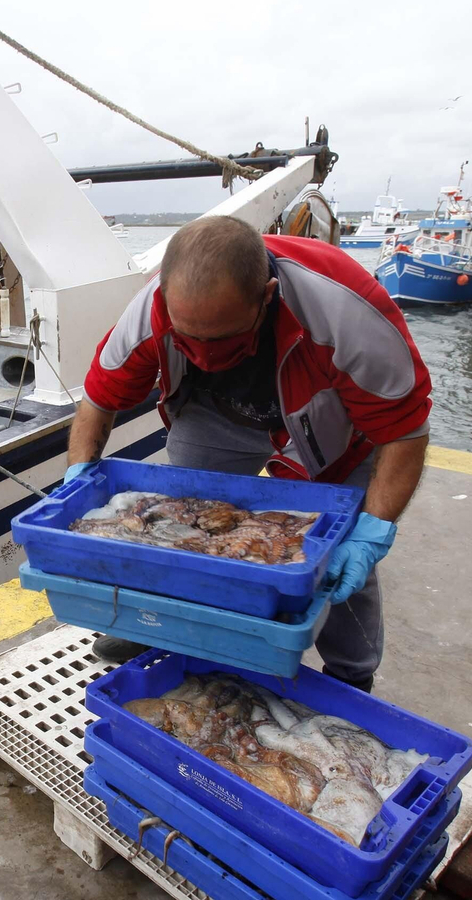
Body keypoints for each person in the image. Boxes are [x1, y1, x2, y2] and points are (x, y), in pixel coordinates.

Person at [64, 216, 432, 691]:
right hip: (218, 414)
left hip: (328, 421)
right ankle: (157, 626)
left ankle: (352, 672)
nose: (204, 356)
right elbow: (98, 401)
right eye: (187, 338)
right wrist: (78, 475)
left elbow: (404, 432)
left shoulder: (345, 312)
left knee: (337, 549)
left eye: (221, 339)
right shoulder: (149, 311)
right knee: (179, 522)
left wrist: (373, 532)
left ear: (268, 295)